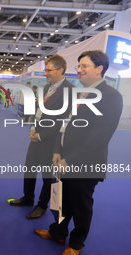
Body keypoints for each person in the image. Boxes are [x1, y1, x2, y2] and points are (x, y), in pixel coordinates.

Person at [35, 50, 123, 255]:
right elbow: (64, 124)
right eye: (79, 66)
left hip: (85, 163)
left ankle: (76, 244)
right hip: (63, 159)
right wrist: (57, 150)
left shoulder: (111, 97)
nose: (80, 70)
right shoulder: (78, 92)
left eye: (84, 66)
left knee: (81, 206)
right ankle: (58, 232)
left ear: (99, 69)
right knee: (62, 202)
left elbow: (99, 137)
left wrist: (71, 160)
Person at [7, 54, 74, 220]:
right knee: (29, 169)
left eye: (49, 70)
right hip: (36, 137)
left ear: (61, 70)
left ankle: (42, 205)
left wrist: (41, 136)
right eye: (45, 70)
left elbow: (62, 121)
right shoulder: (45, 88)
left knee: (47, 176)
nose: (46, 73)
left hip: (51, 142)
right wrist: (33, 128)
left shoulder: (70, 90)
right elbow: (39, 112)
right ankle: (28, 198)